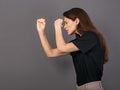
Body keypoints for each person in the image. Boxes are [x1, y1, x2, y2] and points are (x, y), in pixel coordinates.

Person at [36, 8, 109, 90]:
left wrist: (57, 28)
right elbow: (50, 53)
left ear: (77, 21)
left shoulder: (91, 37)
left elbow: (62, 47)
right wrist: (41, 32)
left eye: (66, 22)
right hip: (80, 87)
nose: (65, 26)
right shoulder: (78, 43)